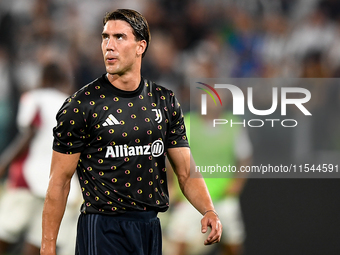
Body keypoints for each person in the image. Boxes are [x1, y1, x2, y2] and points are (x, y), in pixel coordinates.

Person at [40, 9, 222, 255]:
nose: (109, 46)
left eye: (119, 37)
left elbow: (186, 172)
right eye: (105, 37)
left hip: (149, 228)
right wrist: (48, 246)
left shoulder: (164, 101)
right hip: (102, 228)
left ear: (141, 46)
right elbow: (59, 182)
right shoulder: (82, 104)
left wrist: (208, 210)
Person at [0, 62, 81, 255]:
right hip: (61, 184)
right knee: (39, 244)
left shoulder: (33, 98)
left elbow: (29, 133)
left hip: (28, 178)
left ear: (43, 79)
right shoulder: (74, 105)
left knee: (4, 234)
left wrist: (4, 162)